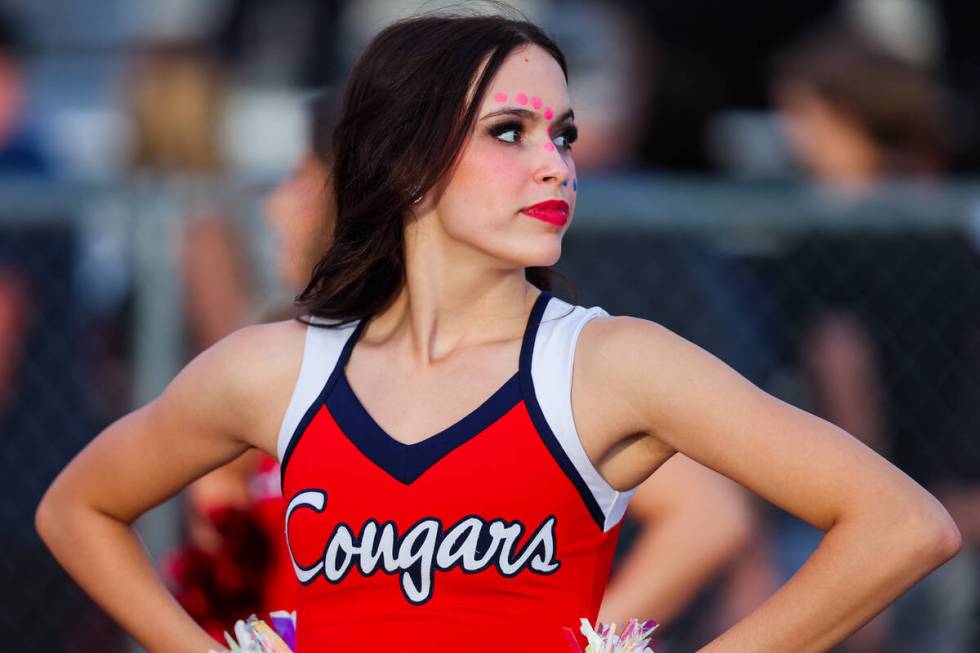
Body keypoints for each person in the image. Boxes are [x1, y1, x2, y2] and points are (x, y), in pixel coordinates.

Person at [36, 12, 960, 653]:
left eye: (562, 133)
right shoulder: (275, 368)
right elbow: (76, 508)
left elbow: (902, 524)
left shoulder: (607, 362)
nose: (555, 164)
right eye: (510, 132)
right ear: (405, 160)